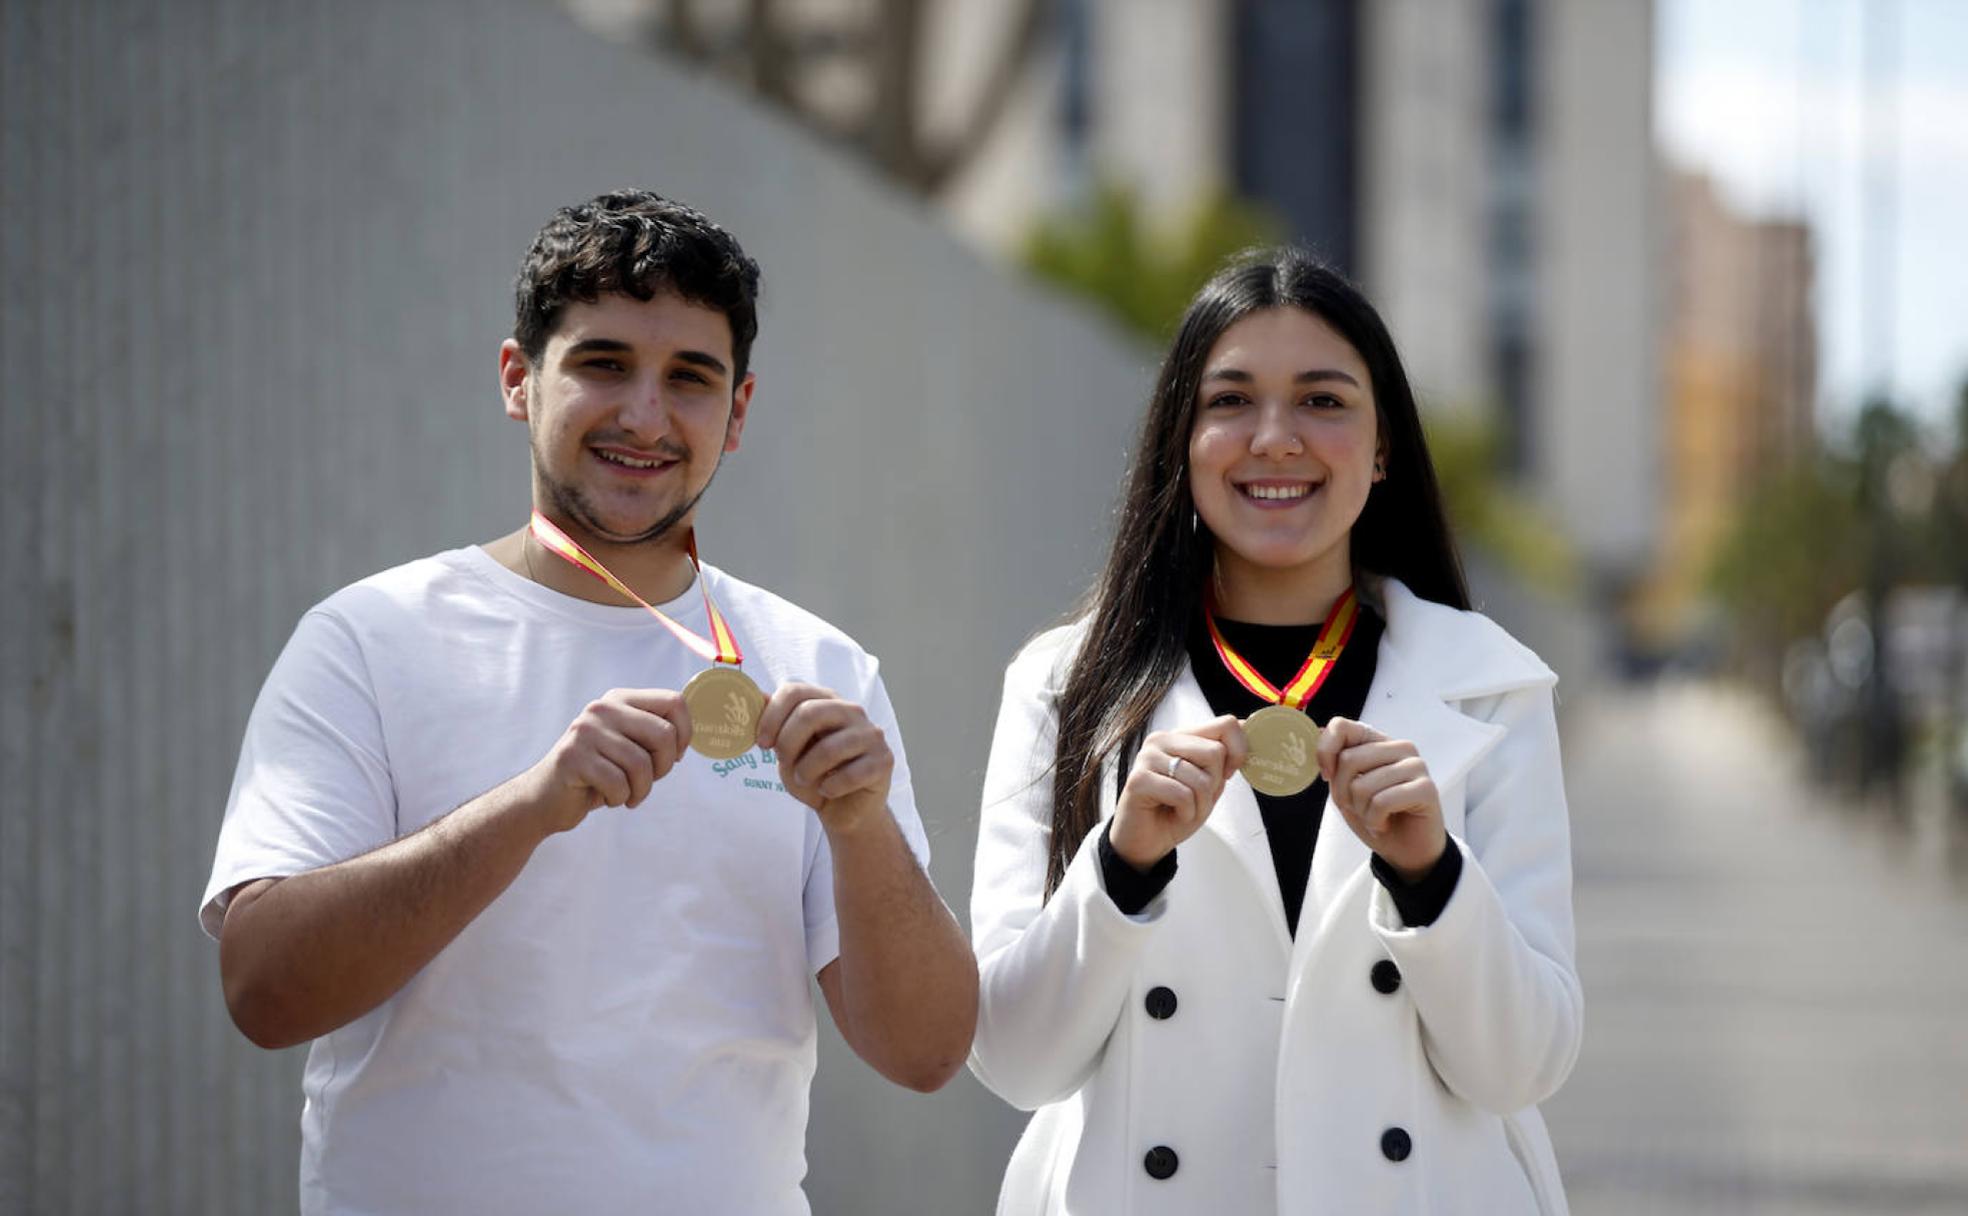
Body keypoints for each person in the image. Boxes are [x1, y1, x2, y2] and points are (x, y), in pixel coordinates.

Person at [200, 190, 978, 1215]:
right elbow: (266, 990)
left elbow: (924, 1052)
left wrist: (861, 825)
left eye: (690, 379)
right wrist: (534, 803)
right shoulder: (369, 640)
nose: (645, 416)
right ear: (519, 380)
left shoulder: (818, 668)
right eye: (604, 364)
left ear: (738, 414)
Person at [969, 249, 1581, 1214]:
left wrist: (1434, 879)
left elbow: (1526, 1067)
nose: (1275, 438)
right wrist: (1122, 865)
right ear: (1180, 440)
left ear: (1383, 451)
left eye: (1324, 402)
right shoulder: (1062, 686)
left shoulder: (1488, 689)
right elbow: (1012, 1059)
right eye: (1231, 401)